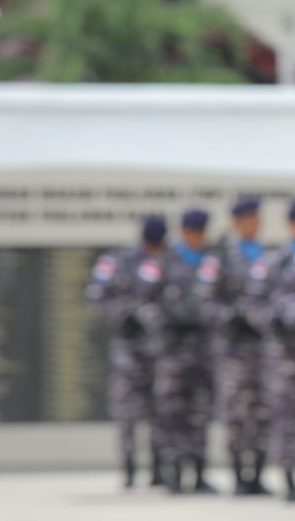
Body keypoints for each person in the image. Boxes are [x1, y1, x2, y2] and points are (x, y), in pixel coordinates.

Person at [86, 216, 169, 488]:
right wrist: (125, 314)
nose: (153, 247)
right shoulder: (117, 260)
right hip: (128, 348)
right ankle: (129, 467)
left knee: (161, 408)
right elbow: (96, 297)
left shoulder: (166, 260)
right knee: (127, 410)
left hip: (160, 347)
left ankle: (159, 466)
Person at [245, 200, 295, 501]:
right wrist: (272, 323)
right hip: (284, 350)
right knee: (287, 414)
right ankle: (290, 478)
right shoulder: (275, 259)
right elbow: (255, 302)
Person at [197, 197, 272, 495]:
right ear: (236, 223)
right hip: (233, 349)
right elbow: (203, 300)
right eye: (247, 219)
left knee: (264, 412)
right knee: (237, 413)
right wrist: (229, 317)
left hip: (264, 348)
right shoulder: (220, 258)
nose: (252, 224)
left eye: (256, 218)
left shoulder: (267, 256)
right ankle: (240, 474)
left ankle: (260, 472)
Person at [154, 208, 217, 494]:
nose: (196, 237)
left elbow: (224, 298)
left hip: (203, 348)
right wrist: (165, 321)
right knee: (172, 413)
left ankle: (199, 472)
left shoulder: (213, 260)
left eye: (200, 231)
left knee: (200, 412)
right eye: (191, 231)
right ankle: (174, 472)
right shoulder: (163, 261)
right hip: (172, 350)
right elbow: (142, 300)